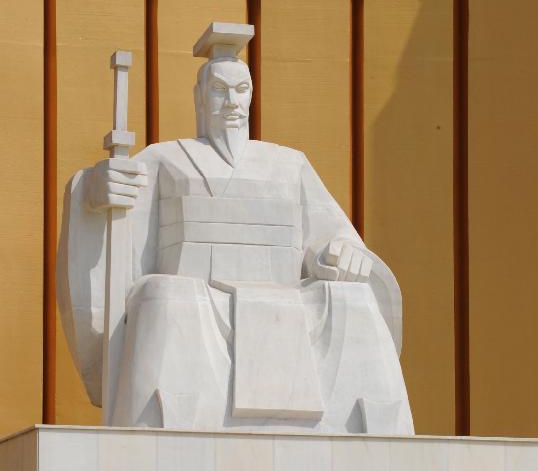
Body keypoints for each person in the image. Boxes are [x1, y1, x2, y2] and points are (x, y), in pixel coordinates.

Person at [57, 23, 413, 435]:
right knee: (163, 295)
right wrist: (94, 192)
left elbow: (329, 238)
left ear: (252, 95)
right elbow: (116, 225)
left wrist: (337, 254)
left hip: (290, 303)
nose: (231, 102)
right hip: (196, 304)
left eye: (240, 90)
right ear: (199, 98)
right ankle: (156, 430)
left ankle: (378, 434)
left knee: (352, 301)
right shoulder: (167, 159)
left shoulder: (289, 164)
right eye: (219, 90)